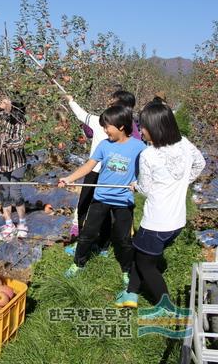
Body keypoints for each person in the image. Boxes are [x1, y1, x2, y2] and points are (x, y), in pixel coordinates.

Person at [115, 102, 206, 309]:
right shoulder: (183, 143)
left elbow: (146, 189)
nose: (141, 130)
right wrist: (182, 181)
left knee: (146, 265)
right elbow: (200, 163)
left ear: (156, 127)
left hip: (156, 222)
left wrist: (135, 185)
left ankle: (165, 307)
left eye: (143, 126)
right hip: (177, 221)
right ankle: (131, 294)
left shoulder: (149, 155)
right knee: (142, 255)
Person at [58, 105, 146, 279]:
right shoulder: (104, 145)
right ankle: (78, 264)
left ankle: (127, 270)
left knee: (123, 240)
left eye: (107, 126)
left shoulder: (139, 147)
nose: (105, 130)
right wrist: (69, 178)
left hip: (123, 200)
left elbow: (148, 170)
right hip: (101, 197)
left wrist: (138, 183)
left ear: (120, 126)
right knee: (88, 234)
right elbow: (89, 166)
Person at [65, 90, 141, 244]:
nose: (109, 103)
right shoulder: (128, 127)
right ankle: (98, 241)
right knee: (101, 208)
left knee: (90, 206)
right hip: (109, 173)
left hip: (99, 172)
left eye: (113, 102)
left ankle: (93, 240)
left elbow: (81, 115)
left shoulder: (100, 121)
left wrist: (71, 101)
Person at [0, 97, 28, 241]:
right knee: (4, 193)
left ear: (12, 105)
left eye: (5, 100)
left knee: (15, 192)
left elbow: (19, 141)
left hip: (16, 162)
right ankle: (9, 224)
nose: (1, 101)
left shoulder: (19, 121)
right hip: (2, 162)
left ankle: (22, 224)